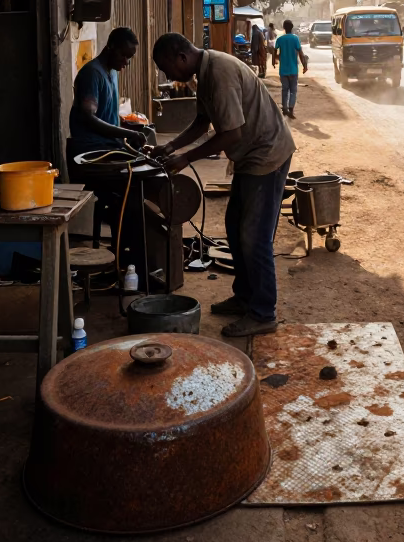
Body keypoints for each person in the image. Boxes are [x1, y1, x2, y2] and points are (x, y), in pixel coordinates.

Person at [152, 32, 294, 337]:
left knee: (254, 237)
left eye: (167, 69)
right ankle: (245, 297)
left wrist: (186, 158)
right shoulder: (205, 73)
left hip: (267, 154)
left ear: (181, 58)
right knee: (234, 225)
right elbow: (202, 122)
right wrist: (171, 146)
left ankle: (263, 313)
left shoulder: (218, 73)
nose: (168, 76)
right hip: (250, 157)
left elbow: (232, 134)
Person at [67, 26, 146, 161]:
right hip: (90, 152)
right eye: (123, 55)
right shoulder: (92, 74)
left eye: (129, 57)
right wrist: (129, 133)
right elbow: (89, 118)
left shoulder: (113, 71)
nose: (126, 62)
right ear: (111, 46)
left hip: (108, 145)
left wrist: (124, 124)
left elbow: (104, 112)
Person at [272, 19, 307, 118]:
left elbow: (274, 51)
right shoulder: (295, 39)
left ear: (284, 28)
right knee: (293, 91)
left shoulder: (280, 39)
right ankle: (291, 109)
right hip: (293, 69)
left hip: (283, 70)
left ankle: (284, 109)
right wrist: (305, 65)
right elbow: (300, 53)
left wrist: (273, 61)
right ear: (292, 28)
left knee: (285, 90)